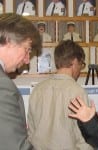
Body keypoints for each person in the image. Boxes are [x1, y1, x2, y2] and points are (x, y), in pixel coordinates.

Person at [27, 40, 93, 150]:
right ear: (74, 61)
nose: (80, 69)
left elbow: (31, 132)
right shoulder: (78, 92)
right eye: (81, 64)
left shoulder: (37, 90)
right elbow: (82, 138)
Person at [0, 13, 41, 150]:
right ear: (9, 41)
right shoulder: (2, 85)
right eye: (27, 50)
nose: (27, 59)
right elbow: (15, 146)